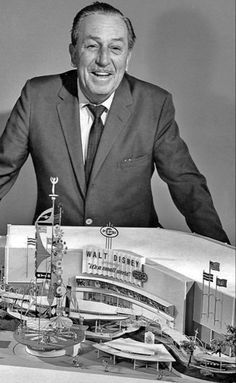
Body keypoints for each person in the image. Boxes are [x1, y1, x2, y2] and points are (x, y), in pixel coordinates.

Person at [0, 2, 230, 244]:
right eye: (92, 46)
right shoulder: (37, 96)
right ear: (73, 53)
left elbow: (186, 184)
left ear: (128, 57)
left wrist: (223, 255)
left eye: (115, 48)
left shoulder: (154, 104)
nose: (103, 60)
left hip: (131, 253)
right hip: (56, 250)